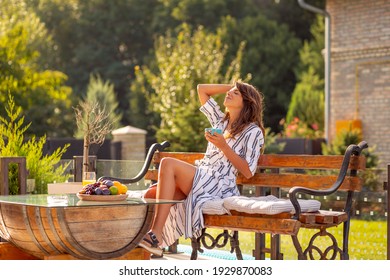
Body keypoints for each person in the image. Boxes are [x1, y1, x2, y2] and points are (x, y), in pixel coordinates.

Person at [138, 81, 265, 256]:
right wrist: (233, 86)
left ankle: (156, 236)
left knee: (167, 163)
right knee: (150, 195)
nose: (229, 93)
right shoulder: (220, 121)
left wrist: (223, 146)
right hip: (203, 175)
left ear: (246, 102)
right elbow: (202, 90)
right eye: (231, 91)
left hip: (220, 184)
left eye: (236, 93)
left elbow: (249, 171)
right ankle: (150, 244)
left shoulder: (253, 132)